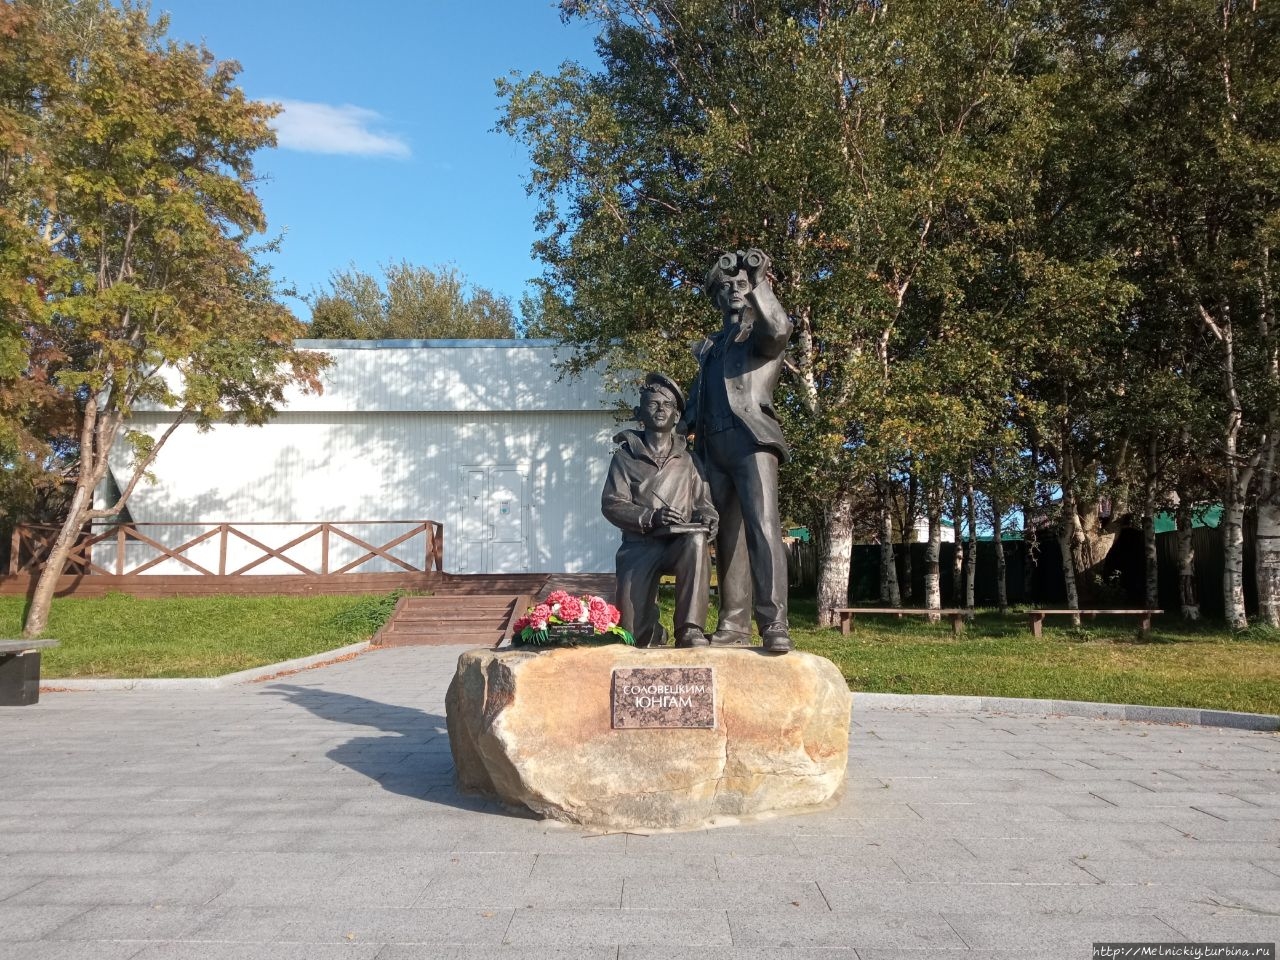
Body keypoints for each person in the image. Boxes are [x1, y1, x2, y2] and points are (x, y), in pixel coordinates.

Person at [683, 248, 793, 653]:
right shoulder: (710, 347)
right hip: (714, 447)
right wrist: (675, 433)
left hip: (751, 442)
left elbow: (780, 328)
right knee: (727, 538)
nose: (734, 291)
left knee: (763, 528)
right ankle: (733, 624)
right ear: (716, 296)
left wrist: (760, 280)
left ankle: (774, 623)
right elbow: (696, 400)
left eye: (741, 285)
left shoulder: (760, 334)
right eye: (726, 286)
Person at [601, 372, 718, 648]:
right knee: (632, 635)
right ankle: (652, 630)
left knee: (696, 541)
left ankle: (690, 629)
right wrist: (650, 517)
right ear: (640, 412)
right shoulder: (624, 457)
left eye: (667, 405)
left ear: (677, 416)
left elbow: (704, 504)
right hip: (639, 546)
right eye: (653, 403)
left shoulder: (689, 461)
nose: (660, 409)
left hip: (680, 543)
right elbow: (612, 503)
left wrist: (709, 519)